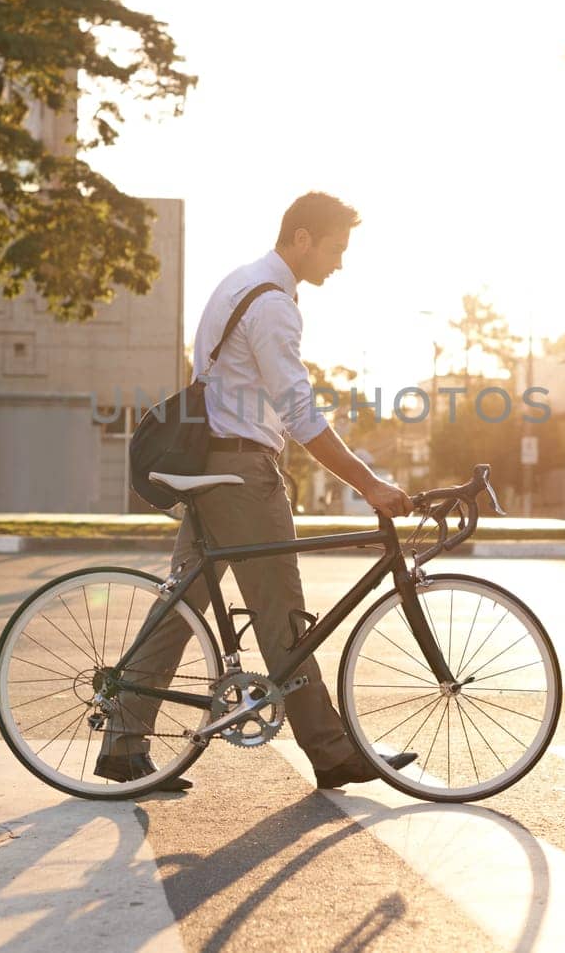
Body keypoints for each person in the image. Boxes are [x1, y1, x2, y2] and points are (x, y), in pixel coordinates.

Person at [98, 192, 417, 793]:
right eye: (335, 249)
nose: (339, 263)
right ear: (301, 238)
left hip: (212, 468)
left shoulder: (238, 284)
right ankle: (329, 750)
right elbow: (300, 413)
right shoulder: (273, 306)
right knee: (282, 616)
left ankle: (123, 741)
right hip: (243, 476)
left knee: (181, 608)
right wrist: (369, 483)